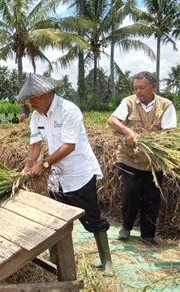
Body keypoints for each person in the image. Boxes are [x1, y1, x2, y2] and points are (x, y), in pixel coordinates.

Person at [19, 73, 115, 276]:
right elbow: (35, 145)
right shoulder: (36, 116)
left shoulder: (69, 110)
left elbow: (69, 146)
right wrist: (27, 168)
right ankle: (55, 259)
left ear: (47, 93)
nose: (30, 102)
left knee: (92, 218)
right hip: (57, 176)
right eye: (28, 98)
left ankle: (107, 262)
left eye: (33, 97)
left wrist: (43, 165)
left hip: (78, 173)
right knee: (56, 218)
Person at [107, 71, 177, 246]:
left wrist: (154, 142)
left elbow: (169, 131)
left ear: (153, 87)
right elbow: (112, 120)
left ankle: (148, 234)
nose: (138, 91)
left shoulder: (166, 105)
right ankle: (126, 227)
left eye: (142, 88)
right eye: (135, 88)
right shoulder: (128, 102)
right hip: (129, 156)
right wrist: (128, 132)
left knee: (152, 197)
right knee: (131, 193)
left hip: (153, 160)